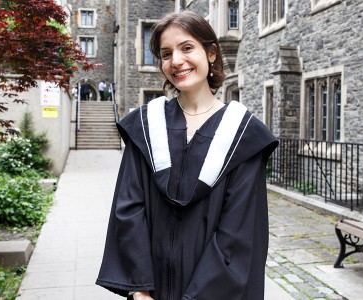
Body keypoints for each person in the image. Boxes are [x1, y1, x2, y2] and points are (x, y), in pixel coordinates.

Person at [96, 11, 277, 300]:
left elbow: (238, 235)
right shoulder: (145, 126)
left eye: (187, 48)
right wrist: (139, 289)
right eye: (166, 54)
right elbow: (128, 210)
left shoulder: (244, 135)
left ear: (212, 53)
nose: (176, 61)